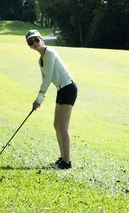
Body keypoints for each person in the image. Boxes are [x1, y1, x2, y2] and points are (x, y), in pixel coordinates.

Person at [26, 29, 78, 170]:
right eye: (31, 42)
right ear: (29, 46)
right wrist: (39, 99)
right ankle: (62, 158)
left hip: (68, 88)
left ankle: (67, 162)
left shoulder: (49, 53)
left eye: (36, 40)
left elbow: (48, 79)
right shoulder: (40, 60)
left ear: (41, 39)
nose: (34, 43)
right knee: (56, 125)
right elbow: (45, 79)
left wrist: (39, 98)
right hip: (61, 89)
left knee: (63, 126)